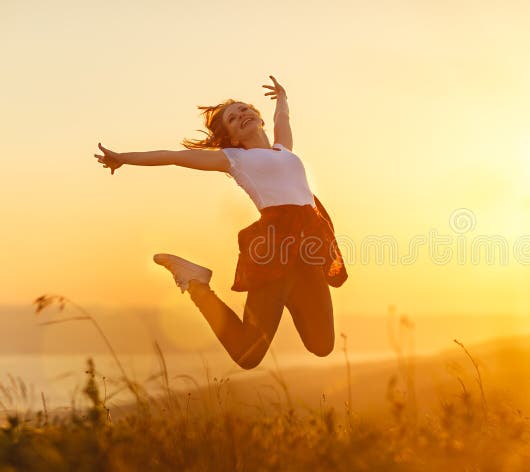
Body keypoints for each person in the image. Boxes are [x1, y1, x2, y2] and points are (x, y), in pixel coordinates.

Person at [94, 75, 348, 368]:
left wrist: (282, 98)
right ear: (233, 138)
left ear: (259, 120)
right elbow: (172, 157)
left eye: (244, 109)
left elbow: (283, 122)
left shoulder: (284, 151)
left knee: (322, 345)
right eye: (232, 117)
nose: (241, 114)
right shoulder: (234, 159)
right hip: (274, 252)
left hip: (309, 250)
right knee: (248, 354)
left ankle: (287, 293)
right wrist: (123, 158)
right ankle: (197, 283)